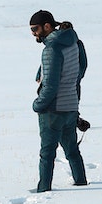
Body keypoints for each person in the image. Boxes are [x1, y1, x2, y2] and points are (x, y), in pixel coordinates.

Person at [29, 10, 88, 193]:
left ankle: (43, 190)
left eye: (35, 29)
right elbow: (81, 70)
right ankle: (81, 183)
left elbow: (51, 86)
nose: (33, 33)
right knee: (71, 150)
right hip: (71, 106)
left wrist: (37, 104)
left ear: (47, 26)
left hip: (53, 110)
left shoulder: (51, 49)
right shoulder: (74, 42)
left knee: (47, 154)